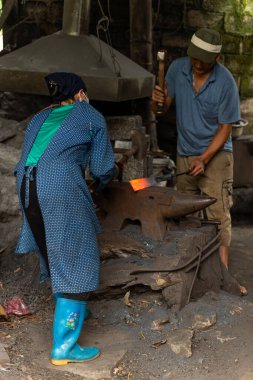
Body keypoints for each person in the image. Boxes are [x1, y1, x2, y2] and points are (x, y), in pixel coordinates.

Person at [14, 72, 118, 365]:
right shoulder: (89, 114)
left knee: (57, 251)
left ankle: (75, 307)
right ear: (81, 92)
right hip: (58, 186)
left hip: (25, 187)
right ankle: (64, 347)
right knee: (77, 258)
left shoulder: (38, 117)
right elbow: (101, 168)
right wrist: (109, 176)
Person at [151, 28, 247, 295]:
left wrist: (204, 159)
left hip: (216, 154)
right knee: (186, 213)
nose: (197, 64)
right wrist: (155, 102)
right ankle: (191, 272)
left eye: (204, 60)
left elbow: (225, 127)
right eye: (194, 58)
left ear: (216, 57)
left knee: (217, 215)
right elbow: (162, 110)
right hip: (185, 151)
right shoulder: (176, 69)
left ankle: (222, 277)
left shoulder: (226, 82)